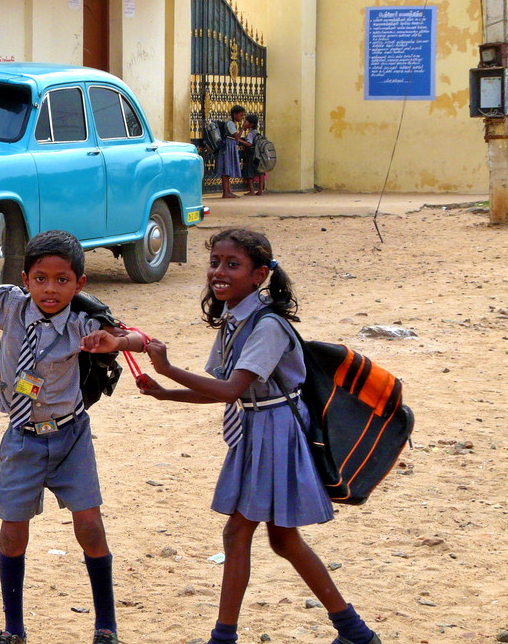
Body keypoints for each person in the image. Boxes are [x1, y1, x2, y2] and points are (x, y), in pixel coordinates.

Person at [134, 228, 382, 644]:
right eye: (215, 262)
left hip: (275, 432)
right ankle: (355, 632)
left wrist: (168, 369)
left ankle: (224, 637)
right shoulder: (235, 318)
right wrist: (166, 393)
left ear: (260, 274)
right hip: (258, 428)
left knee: (239, 533)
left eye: (233, 265)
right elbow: (231, 392)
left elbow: (231, 390)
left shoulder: (267, 326)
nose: (219, 272)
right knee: (283, 539)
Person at [0, 230, 145, 644]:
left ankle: (106, 627)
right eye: (40, 278)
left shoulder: (83, 322)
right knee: (13, 526)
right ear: (25, 279)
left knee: (89, 524)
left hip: (71, 435)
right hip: (22, 437)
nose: (50, 289)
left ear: (80, 284)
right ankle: (13, 629)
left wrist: (116, 341)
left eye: (62, 280)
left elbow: (143, 340)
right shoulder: (10, 305)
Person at [218, 106, 247, 198]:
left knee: (228, 169)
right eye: (241, 115)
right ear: (235, 114)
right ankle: (225, 192)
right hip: (227, 147)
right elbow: (237, 137)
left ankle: (228, 191)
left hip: (230, 146)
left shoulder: (231, 123)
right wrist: (243, 128)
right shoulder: (230, 123)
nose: (242, 117)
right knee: (225, 169)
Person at [239, 113, 261, 196]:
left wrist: (240, 140)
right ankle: (260, 190)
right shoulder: (257, 132)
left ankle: (251, 190)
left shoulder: (251, 133)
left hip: (251, 154)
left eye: (246, 122)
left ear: (251, 124)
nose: (244, 123)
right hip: (258, 154)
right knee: (260, 172)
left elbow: (249, 144)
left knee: (249, 172)